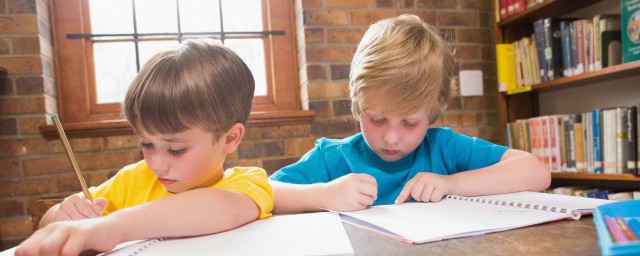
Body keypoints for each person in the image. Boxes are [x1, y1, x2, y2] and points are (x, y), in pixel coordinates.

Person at [269, 14, 550, 214]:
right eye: (377, 119)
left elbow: (537, 172)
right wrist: (323, 195)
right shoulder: (332, 158)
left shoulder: (443, 147)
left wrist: (452, 183)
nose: (391, 138)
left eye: (410, 122)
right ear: (357, 104)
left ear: (431, 114)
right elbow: (264, 193)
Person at [16, 39, 273, 255]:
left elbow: (217, 208)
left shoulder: (245, 185)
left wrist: (114, 227)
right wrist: (62, 215)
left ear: (230, 138)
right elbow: (49, 221)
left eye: (175, 149)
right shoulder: (134, 180)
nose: (156, 163)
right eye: (147, 144)